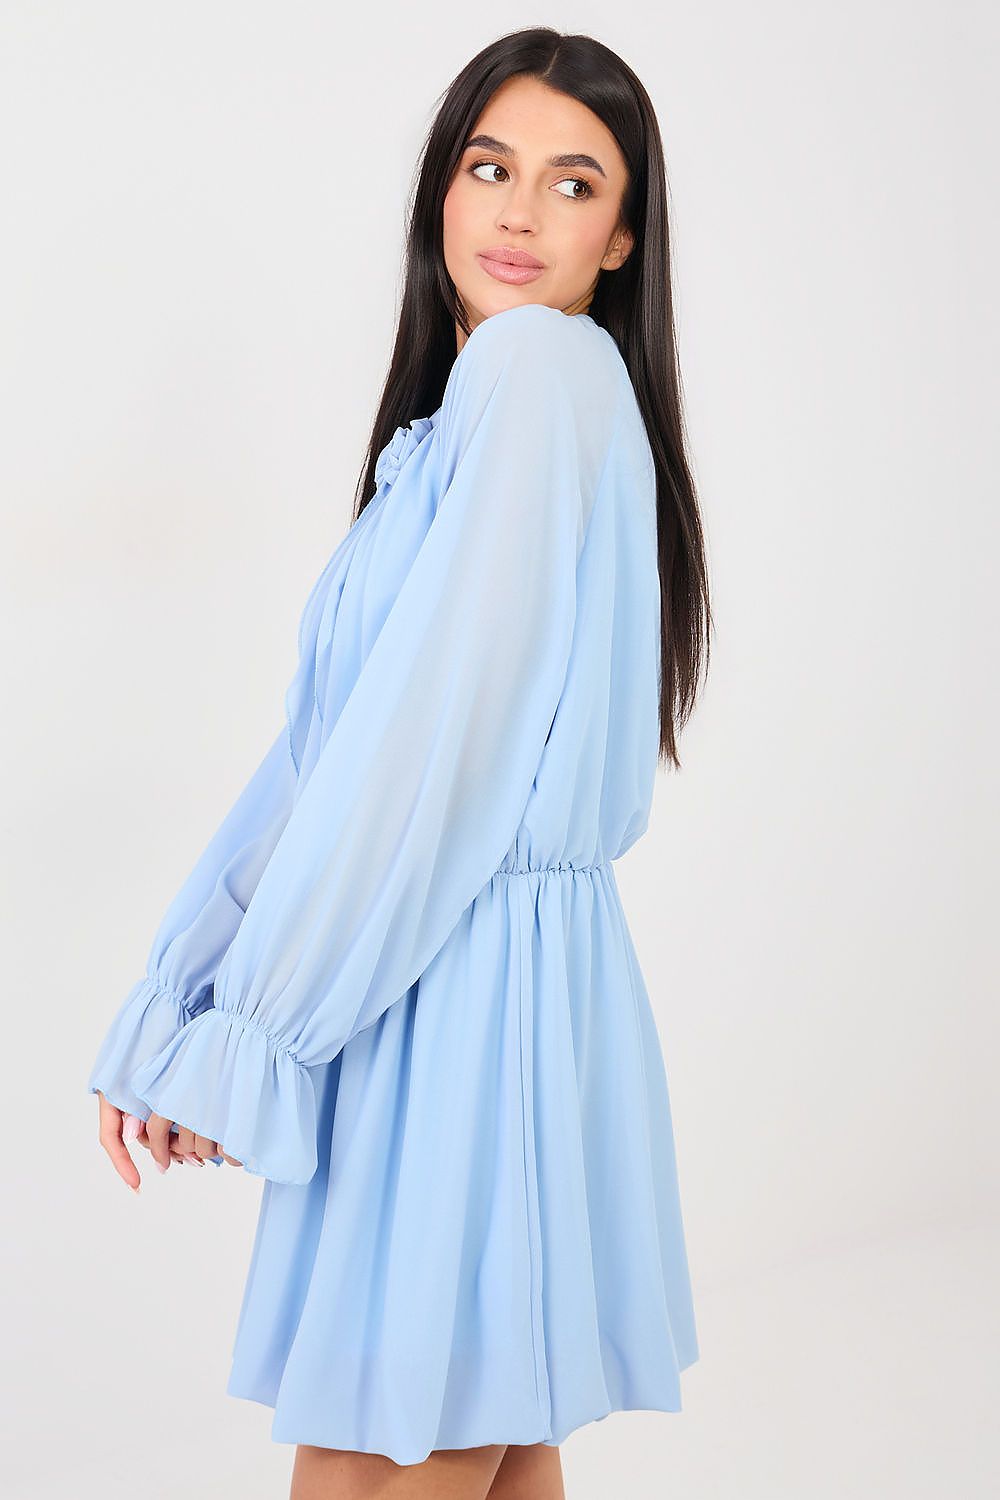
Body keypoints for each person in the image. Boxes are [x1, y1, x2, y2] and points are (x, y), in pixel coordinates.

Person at [87, 27, 711, 1500]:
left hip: (455, 999)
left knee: (387, 1464)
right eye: (489, 166)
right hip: (469, 990)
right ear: (441, 189)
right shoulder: (479, 415)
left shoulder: (539, 377)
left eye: (572, 184)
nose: (516, 210)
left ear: (622, 238)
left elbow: (431, 750)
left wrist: (260, 1024)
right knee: (490, 1461)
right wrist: (192, 995)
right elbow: (340, 748)